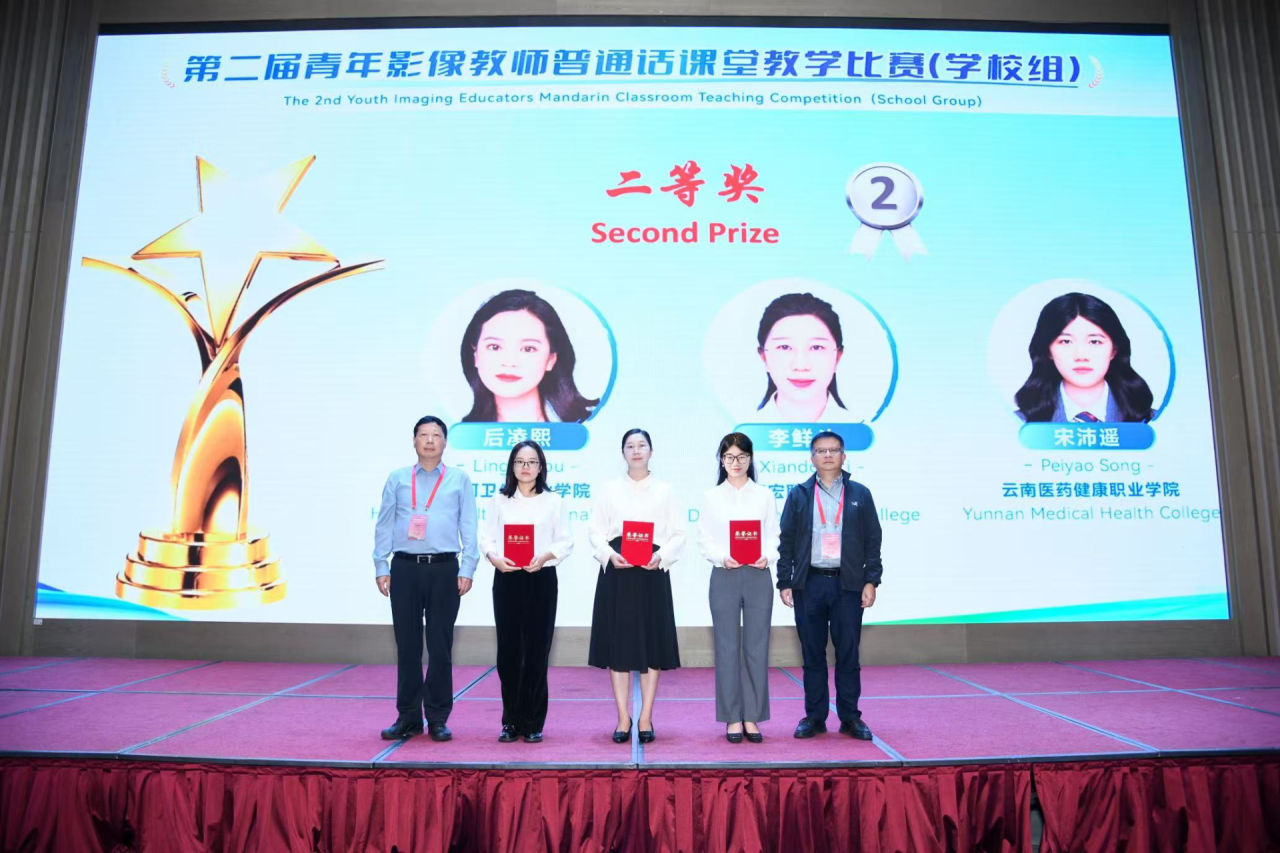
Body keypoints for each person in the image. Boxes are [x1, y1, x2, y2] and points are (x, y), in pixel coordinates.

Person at [373, 415, 479, 741]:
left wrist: (467, 567)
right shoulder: (397, 478)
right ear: (414, 441)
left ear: (445, 442)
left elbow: (469, 525)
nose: (430, 440)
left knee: (440, 647)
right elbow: (384, 523)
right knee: (407, 646)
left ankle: (437, 717)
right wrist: (381, 565)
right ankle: (408, 717)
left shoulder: (459, 479)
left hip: (444, 569)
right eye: (424, 434)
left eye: (436, 435)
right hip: (404, 569)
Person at [776, 430, 882, 741]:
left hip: (848, 585)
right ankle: (815, 716)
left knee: (848, 654)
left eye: (833, 450)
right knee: (813, 655)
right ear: (812, 458)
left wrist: (871, 580)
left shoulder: (860, 494)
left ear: (843, 456)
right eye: (821, 451)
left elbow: (873, 540)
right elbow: (786, 541)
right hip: (809, 584)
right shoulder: (799, 494)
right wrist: (784, 581)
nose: (827, 455)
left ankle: (850, 717)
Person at [588, 428, 683, 744]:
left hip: (651, 571)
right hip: (618, 572)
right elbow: (595, 531)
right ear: (623, 453)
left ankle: (645, 718)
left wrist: (661, 556)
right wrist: (609, 555)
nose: (636, 450)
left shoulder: (665, 490)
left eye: (642, 445)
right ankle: (622, 718)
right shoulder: (609, 490)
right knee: (619, 648)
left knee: (651, 646)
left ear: (651, 451)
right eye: (630, 446)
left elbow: (678, 534)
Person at [478, 440, 572, 744]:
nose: (526, 467)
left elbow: (565, 541)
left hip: (541, 578)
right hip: (507, 579)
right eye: (520, 461)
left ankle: (533, 721)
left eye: (532, 462)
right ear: (512, 466)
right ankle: (511, 720)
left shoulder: (553, 501)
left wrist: (545, 556)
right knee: (508, 653)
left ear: (541, 467)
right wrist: (494, 558)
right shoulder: (499, 500)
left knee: (536, 651)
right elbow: (486, 537)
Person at [698, 432, 779, 743]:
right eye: (730, 457)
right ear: (721, 460)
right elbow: (704, 538)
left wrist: (767, 555)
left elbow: (774, 534)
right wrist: (722, 557)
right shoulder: (711, 496)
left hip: (758, 574)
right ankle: (732, 717)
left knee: (757, 647)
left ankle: (752, 716)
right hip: (725, 574)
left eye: (742, 456)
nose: (736, 462)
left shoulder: (764, 495)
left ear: (750, 459)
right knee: (727, 647)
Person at [460, 289, 599, 423]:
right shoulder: (460, 431)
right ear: (475, 355)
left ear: (551, 359)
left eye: (528, 349)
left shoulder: (579, 429)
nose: (509, 362)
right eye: (494, 347)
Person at [1015, 292, 1155, 423]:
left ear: (1114, 350)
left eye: (1095, 342)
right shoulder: (1019, 424)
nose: (1081, 356)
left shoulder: (1151, 421)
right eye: (1066, 341)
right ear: (1048, 351)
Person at [755, 292, 851, 422]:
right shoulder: (742, 431)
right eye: (785, 347)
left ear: (837, 357)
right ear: (764, 357)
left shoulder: (861, 429)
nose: (801, 366)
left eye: (816, 347)